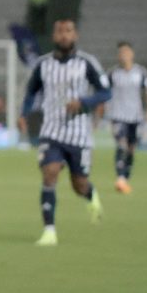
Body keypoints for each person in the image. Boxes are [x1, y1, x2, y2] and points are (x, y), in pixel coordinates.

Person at [18, 20, 111, 247]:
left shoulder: (87, 63)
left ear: (75, 35)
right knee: (50, 173)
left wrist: (83, 101)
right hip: (51, 130)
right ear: (54, 35)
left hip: (79, 134)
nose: (63, 36)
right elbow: (31, 92)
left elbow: (105, 92)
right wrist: (23, 113)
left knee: (79, 185)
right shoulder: (43, 64)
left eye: (68, 31)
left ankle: (91, 196)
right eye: (59, 31)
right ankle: (49, 231)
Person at [107, 42, 147, 194]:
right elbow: (103, 93)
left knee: (131, 149)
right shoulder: (112, 73)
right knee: (121, 145)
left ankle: (125, 178)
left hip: (135, 116)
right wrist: (100, 113)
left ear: (132, 54)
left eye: (126, 52)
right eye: (121, 53)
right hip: (118, 115)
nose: (123, 55)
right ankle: (120, 178)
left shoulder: (141, 72)